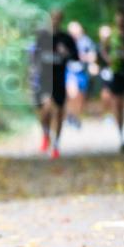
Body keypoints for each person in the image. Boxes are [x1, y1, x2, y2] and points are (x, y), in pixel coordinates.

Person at [30, 9, 78, 159]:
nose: (55, 21)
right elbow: (33, 58)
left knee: (59, 112)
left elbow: (76, 57)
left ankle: (56, 143)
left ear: (61, 20)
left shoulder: (66, 38)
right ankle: (45, 133)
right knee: (45, 110)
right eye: (53, 18)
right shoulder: (42, 37)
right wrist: (31, 76)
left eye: (58, 18)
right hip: (44, 80)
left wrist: (66, 53)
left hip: (59, 80)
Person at [100, 11, 124, 151]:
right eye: (119, 20)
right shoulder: (112, 35)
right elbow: (103, 49)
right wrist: (108, 59)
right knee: (117, 104)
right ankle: (121, 137)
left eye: (122, 20)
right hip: (117, 72)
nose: (120, 22)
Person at [65, 21, 96, 127]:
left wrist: (91, 63)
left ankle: (75, 116)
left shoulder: (86, 41)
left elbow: (92, 56)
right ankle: (70, 115)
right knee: (72, 93)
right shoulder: (66, 41)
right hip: (70, 71)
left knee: (80, 97)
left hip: (82, 71)